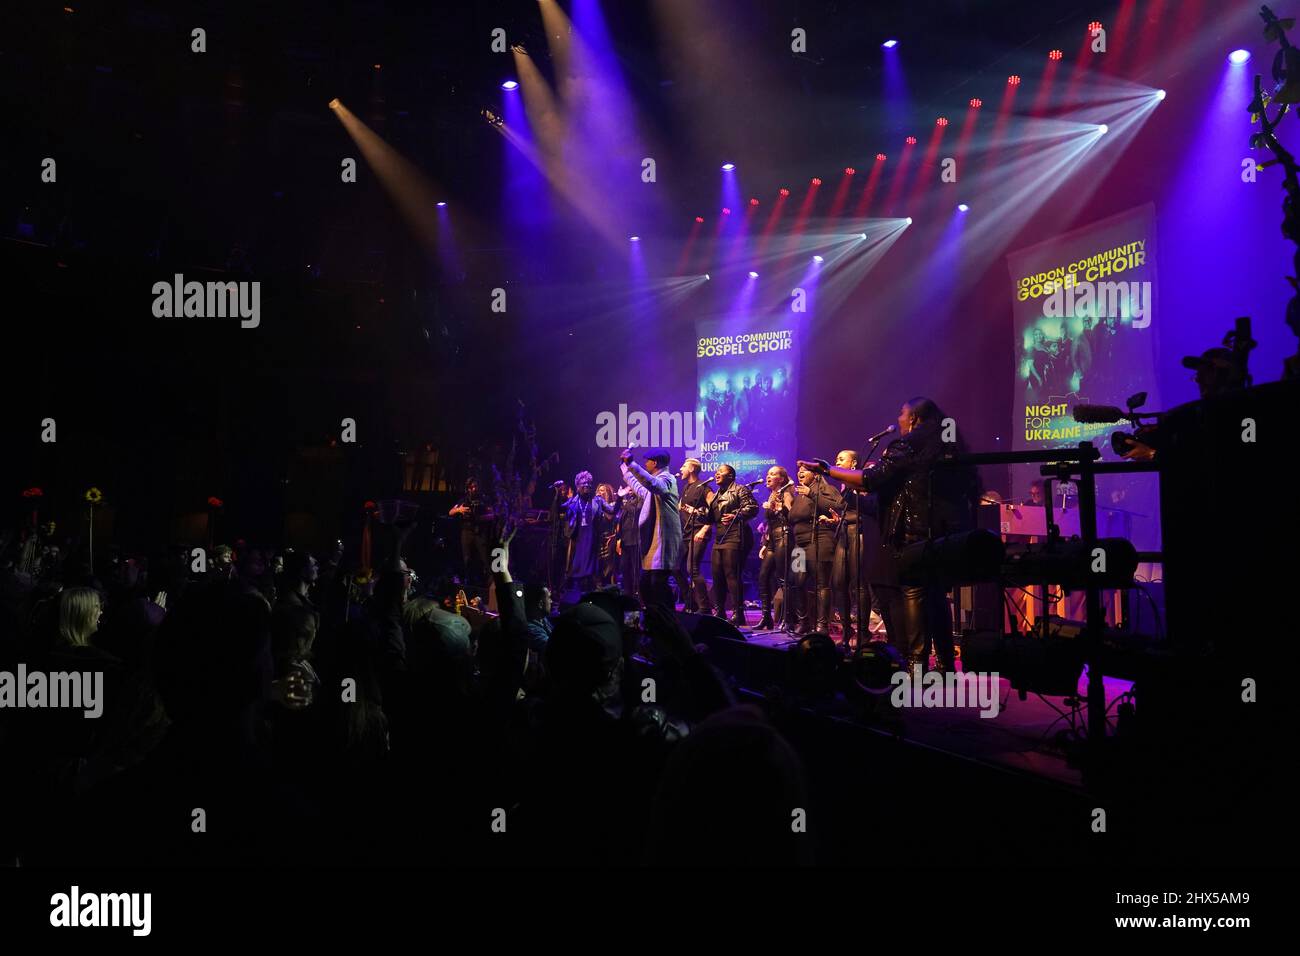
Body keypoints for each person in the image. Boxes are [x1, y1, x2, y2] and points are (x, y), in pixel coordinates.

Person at [800, 396, 980, 673]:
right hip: (947, 533)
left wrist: (828, 470)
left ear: (914, 418)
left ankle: (916, 665)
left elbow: (872, 479)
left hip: (915, 532)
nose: (898, 419)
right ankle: (945, 666)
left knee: (915, 594)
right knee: (936, 597)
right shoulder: (950, 444)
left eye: (902, 413)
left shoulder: (909, 444)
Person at [619, 448, 682, 611]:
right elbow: (642, 489)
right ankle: (656, 618)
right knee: (646, 583)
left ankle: (669, 618)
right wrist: (626, 471)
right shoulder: (656, 480)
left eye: (647, 461)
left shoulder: (667, 479)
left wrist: (632, 464)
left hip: (664, 538)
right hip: (655, 539)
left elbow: (653, 485)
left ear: (655, 463)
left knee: (657, 583)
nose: (645, 464)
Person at [787, 464, 843, 634]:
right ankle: (803, 622)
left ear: (816, 474)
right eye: (799, 470)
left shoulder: (826, 489)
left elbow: (837, 507)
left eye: (805, 470)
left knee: (821, 584)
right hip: (799, 544)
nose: (800, 472)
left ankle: (822, 625)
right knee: (798, 582)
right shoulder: (799, 494)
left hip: (819, 540)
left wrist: (812, 494)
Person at [701, 464, 758, 627]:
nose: (717, 474)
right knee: (717, 574)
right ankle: (719, 612)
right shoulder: (717, 494)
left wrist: (736, 515)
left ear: (731, 476)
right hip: (720, 537)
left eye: (721, 472)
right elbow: (710, 518)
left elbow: (753, 508)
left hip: (736, 535)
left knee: (731, 574)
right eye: (716, 472)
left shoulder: (740, 489)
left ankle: (738, 613)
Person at [560, 471, 613, 598]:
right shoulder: (573, 501)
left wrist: (620, 498)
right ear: (577, 485)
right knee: (576, 568)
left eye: (589, 483)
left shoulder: (597, 501)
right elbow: (560, 508)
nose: (587, 485)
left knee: (591, 570)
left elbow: (612, 511)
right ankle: (575, 595)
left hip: (592, 539)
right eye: (584, 483)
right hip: (577, 540)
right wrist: (557, 493)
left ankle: (590, 595)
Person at [756, 466, 794, 629]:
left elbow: (792, 515)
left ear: (782, 479)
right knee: (763, 576)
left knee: (783, 579)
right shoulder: (773, 494)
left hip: (784, 537)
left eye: (772, 474)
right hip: (772, 540)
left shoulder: (786, 493)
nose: (768, 476)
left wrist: (780, 509)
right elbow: (771, 523)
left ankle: (788, 619)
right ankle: (766, 617)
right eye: (768, 474)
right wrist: (765, 544)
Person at [677, 458, 713, 614]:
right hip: (685, 533)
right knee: (675, 568)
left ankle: (705, 607)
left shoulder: (704, 488)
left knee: (692, 568)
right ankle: (690, 601)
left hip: (698, 532)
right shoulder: (685, 488)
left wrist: (704, 529)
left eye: (684, 465)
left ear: (692, 469)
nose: (681, 468)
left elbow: (714, 508)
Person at [449, 478, 494, 586]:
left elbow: (493, 514)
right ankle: (468, 582)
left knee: (485, 558)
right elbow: (451, 512)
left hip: (479, 532)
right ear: (468, 488)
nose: (474, 489)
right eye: (471, 487)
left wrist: (480, 518)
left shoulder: (484, 500)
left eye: (475, 486)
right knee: (467, 558)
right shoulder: (464, 500)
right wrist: (459, 510)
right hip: (466, 531)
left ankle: (489, 583)